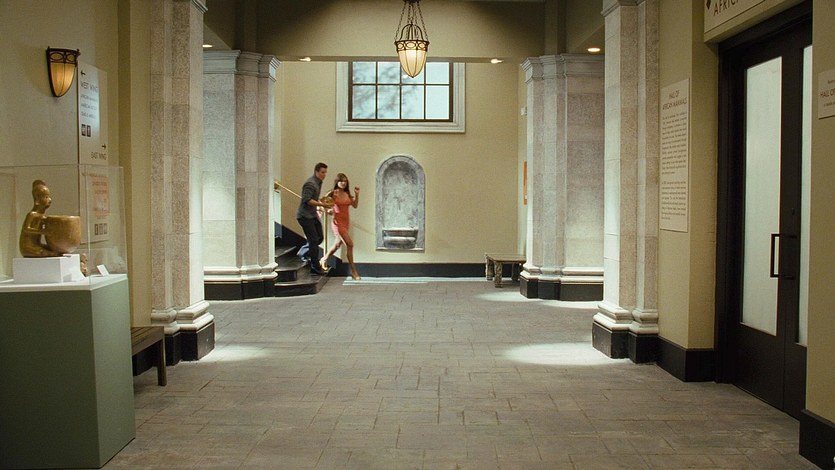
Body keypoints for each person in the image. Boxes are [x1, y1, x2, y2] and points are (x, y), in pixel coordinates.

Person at [320, 173, 361, 280]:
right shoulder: (333, 193)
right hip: (337, 223)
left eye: (345, 181)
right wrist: (328, 210)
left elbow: (355, 205)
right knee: (350, 244)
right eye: (341, 181)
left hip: (346, 222)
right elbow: (322, 203)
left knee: (337, 244)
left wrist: (357, 195)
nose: (343, 183)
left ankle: (324, 258)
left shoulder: (347, 193)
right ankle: (353, 271)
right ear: (337, 182)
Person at [296, 163, 333, 275]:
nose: (324, 174)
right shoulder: (310, 184)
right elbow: (307, 200)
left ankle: (303, 252)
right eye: (322, 172)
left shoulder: (318, 182)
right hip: (305, 216)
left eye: (325, 172)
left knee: (319, 237)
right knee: (313, 240)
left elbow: (314, 199)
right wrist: (322, 205)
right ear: (316, 172)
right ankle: (315, 266)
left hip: (312, 215)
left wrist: (322, 204)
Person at [19, 180, 61, 258]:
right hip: (28, 247)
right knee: (49, 253)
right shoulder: (32, 214)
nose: (50, 200)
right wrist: (42, 231)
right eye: (46, 197)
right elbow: (26, 229)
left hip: (37, 245)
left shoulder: (41, 216)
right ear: (37, 200)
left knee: (55, 250)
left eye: (49, 197)